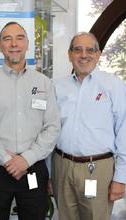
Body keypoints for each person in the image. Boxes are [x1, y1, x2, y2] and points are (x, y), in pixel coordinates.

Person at [0, 21, 61, 220]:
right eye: (7, 39)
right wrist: (7, 160)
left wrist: (26, 159)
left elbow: (52, 127)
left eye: (19, 38)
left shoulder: (43, 83)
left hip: (33, 169)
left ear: (27, 44)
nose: (14, 43)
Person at [52, 32, 126, 220]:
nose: (83, 55)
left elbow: (124, 131)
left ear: (98, 54)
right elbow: (50, 130)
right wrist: (49, 173)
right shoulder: (59, 87)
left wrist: (121, 178)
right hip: (62, 166)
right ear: (69, 55)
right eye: (77, 50)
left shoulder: (114, 86)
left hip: (99, 169)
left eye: (89, 50)